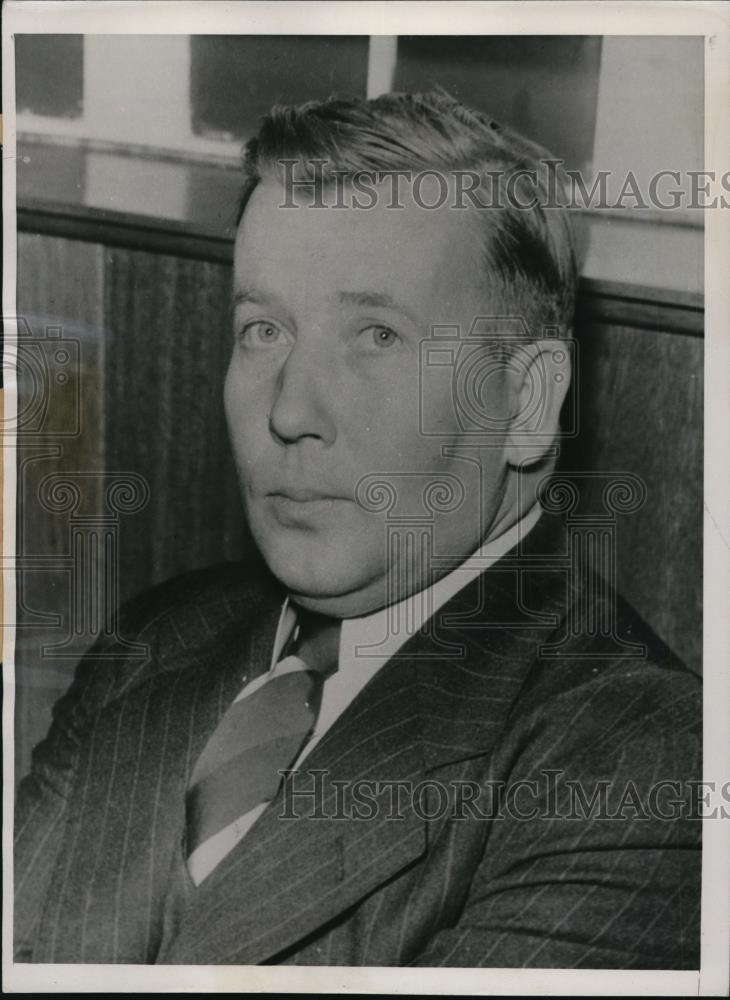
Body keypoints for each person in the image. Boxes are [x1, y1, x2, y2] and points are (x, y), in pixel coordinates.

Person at [14, 92, 701, 967]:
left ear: (528, 403)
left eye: (376, 334)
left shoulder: (635, 763)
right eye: (263, 330)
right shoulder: (154, 638)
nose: (292, 410)